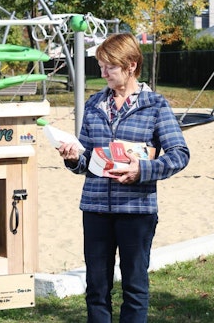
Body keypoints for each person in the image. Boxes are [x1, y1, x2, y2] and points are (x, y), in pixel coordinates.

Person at [57, 33, 190, 322]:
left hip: (137, 211)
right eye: (101, 66)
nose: (102, 73)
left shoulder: (155, 105)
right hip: (95, 209)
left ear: (131, 65)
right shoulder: (94, 105)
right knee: (96, 289)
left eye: (109, 67)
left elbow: (180, 154)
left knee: (135, 287)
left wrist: (141, 170)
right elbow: (86, 160)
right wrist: (72, 158)